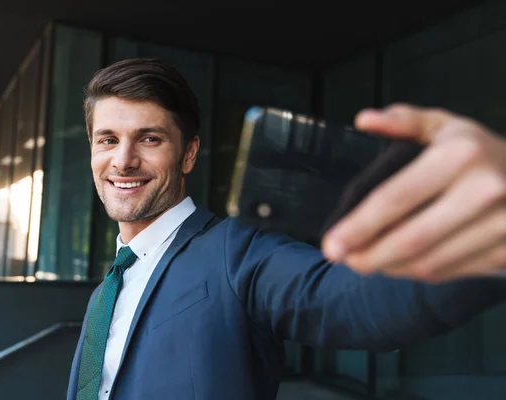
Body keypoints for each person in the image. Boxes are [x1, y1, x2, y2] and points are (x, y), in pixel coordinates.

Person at [68, 58, 506, 400]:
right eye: (107, 139)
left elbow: (355, 301)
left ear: (188, 154)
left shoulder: (237, 253)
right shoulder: (104, 294)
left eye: (149, 139)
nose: (123, 160)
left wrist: (485, 235)